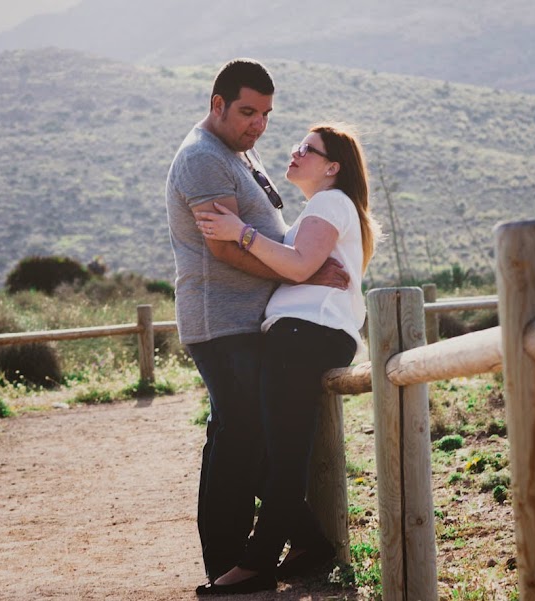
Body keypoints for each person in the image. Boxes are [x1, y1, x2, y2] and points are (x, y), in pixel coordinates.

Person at [165, 59, 348, 592]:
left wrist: (303, 258)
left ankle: (304, 547)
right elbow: (225, 250)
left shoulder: (240, 152)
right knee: (240, 437)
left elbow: (262, 228)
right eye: (247, 111)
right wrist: (304, 266)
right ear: (216, 103)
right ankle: (229, 565)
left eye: (266, 114)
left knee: (246, 436)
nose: (258, 124)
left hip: (253, 321)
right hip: (221, 322)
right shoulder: (203, 158)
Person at [193, 123, 380, 596]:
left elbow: (296, 264)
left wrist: (241, 233)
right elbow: (302, 268)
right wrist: (309, 273)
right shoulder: (327, 207)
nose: (295, 153)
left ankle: (258, 562)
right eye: (298, 145)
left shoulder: (330, 202)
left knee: (281, 454)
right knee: (265, 447)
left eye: (307, 149)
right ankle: (310, 543)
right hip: (301, 336)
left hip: (304, 337)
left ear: (332, 167)